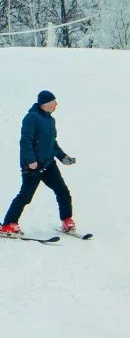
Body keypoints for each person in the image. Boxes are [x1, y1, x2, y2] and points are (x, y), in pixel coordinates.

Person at [2, 91, 76, 238]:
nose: (56, 104)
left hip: (48, 164)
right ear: (46, 103)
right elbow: (25, 141)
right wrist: (31, 161)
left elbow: (52, 144)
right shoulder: (31, 118)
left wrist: (63, 157)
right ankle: (8, 225)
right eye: (54, 101)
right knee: (25, 196)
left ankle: (67, 220)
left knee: (62, 191)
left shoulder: (50, 120)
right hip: (33, 166)